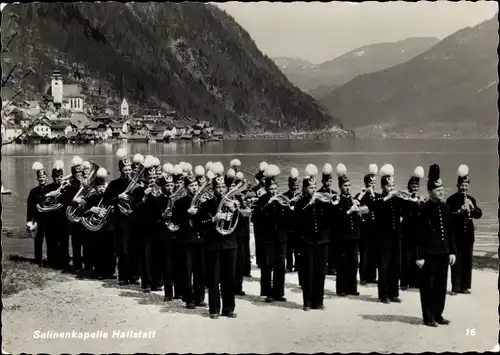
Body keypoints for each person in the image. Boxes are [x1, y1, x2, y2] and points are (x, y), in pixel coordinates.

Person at [416, 163, 456, 327]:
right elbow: (418, 235)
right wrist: (419, 256)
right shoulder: (423, 209)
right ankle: (428, 316)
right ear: (430, 191)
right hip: (429, 254)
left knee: (441, 285)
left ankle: (438, 313)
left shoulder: (446, 208)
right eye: (438, 189)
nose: (442, 191)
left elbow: (450, 232)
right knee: (428, 286)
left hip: (443, 252)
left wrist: (452, 251)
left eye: (442, 188)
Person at [197, 162, 239, 319]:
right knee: (214, 279)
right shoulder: (207, 204)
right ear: (213, 190)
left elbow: (239, 226)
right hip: (213, 245)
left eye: (223, 188)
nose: (221, 190)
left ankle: (229, 309)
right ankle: (214, 309)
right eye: (218, 188)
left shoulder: (233, 204)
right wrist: (214, 219)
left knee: (229, 278)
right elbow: (199, 224)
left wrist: (235, 211)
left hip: (230, 245)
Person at [294, 164, 334, 311]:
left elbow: (331, 219)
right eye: (311, 188)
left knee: (320, 272)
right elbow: (298, 221)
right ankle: (307, 302)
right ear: (304, 189)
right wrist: (310, 203)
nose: (314, 190)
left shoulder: (321, 202)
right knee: (308, 273)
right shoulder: (300, 203)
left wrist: (329, 203)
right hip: (307, 242)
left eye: (315, 187)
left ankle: (319, 301)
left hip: (322, 241)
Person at [366, 164, 403, 304]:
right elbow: (372, 205)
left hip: (396, 237)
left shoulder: (397, 199)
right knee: (384, 267)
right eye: (389, 186)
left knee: (396, 266)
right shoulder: (379, 199)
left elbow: (407, 209)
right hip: (383, 239)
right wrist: (388, 197)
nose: (391, 189)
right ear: (383, 187)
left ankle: (394, 293)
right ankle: (384, 294)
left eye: (393, 186)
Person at [171, 169, 206, 309]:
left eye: (196, 185)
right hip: (186, 240)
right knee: (187, 270)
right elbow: (174, 220)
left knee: (200, 270)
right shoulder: (179, 203)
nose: (195, 188)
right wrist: (187, 213)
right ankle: (188, 298)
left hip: (200, 240)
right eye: (191, 186)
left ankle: (199, 297)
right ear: (186, 188)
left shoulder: (203, 201)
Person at [447, 164, 482, 295]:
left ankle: (464, 286)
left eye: (466, 185)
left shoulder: (471, 199)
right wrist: (459, 211)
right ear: (458, 186)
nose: (464, 188)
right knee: (456, 260)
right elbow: (448, 218)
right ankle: (455, 287)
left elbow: (478, 214)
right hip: (456, 235)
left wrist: (472, 208)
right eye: (462, 185)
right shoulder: (451, 200)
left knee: (467, 260)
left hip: (468, 235)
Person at [102, 148, 136, 285]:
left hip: (133, 220)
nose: (128, 173)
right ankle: (122, 277)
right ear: (120, 171)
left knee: (133, 249)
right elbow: (105, 200)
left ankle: (133, 276)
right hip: (120, 221)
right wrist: (118, 197)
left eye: (129, 170)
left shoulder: (135, 184)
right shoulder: (114, 184)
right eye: (125, 170)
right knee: (123, 250)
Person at [334, 163, 366, 297]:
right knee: (342, 263)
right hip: (342, 236)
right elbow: (337, 219)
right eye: (345, 186)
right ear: (340, 187)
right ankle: (341, 288)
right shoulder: (337, 199)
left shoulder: (352, 199)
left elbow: (357, 219)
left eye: (349, 186)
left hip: (353, 236)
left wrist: (359, 212)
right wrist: (349, 211)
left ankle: (352, 287)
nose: (348, 188)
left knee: (353, 263)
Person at [259, 164, 289, 303]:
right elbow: (255, 218)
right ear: (266, 189)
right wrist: (268, 204)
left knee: (280, 266)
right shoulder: (262, 200)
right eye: (271, 189)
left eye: (276, 189)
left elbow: (287, 218)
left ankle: (279, 292)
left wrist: (288, 207)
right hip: (268, 239)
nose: (274, 192)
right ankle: (268, 293)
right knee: (267, 266)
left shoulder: (281, 199)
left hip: (280, 238)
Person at [81, 167, 116, 279]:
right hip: (96, 229)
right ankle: (99, 272)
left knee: (110, 251)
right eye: (99, 187)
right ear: (95, 187)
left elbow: (114, 208)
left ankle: (110, 272)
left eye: (103, 186)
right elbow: (82, 213)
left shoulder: (109, 196)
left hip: (109, 227)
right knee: (98, 250)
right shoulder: (91, 197)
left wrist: (107, 212)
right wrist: (91, 210)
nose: (101, 189)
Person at [400, 166, 425, 291]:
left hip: (418, 231)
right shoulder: (404, 198)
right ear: (409, 186)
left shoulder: (420, 199)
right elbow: (403, 212)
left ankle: (415, 282)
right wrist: (410, 200)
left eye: (416, 187)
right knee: (406, 257)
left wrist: (420, 203)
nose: (415, 188)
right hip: (407, 231)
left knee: (417, 256)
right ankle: (404, 282)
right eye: (413, 186)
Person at [357, 164, 379, 285]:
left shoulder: (377, 196)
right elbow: (357, 208)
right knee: (364, 253)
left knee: (373, 252)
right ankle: (363, 276)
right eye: (371, 183)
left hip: (374, 227)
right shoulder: (361, 195)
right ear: (366, 184)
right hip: (365, 227)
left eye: (374, 182)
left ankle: (372, 276)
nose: (373, 185)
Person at [26, 162, 52, 266]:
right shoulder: (33, 192)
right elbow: (29, 208)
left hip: (49, 220)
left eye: (43, 176)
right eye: (39, 177)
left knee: (50, 242)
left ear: (46, 178)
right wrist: (29, 221)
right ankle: (38, 262)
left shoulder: (52, 189)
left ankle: (51, 261)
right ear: (37, 179)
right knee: (38, 242)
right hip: (38, 220)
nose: (41, 178)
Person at [318, 163, 338, 276]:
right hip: (324, 223)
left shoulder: (334, 193)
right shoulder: (319, 193)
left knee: (333, 245)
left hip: (333, 223)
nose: (328, 183)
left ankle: (332, 267)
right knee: (325, 247)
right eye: (326, 181)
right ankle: (325, 267)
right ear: (323, 182)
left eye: (330, 181)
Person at [283, 168, 301, 273]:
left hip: (298, 226)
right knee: (289, 248)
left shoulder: (301, 196)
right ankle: (289, 265)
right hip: (288, 226)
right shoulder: (285, 195)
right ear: (289, 185)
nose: (295, 187)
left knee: (298, 248)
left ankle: (298, 266)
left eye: (297, 186)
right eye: (293, 185)